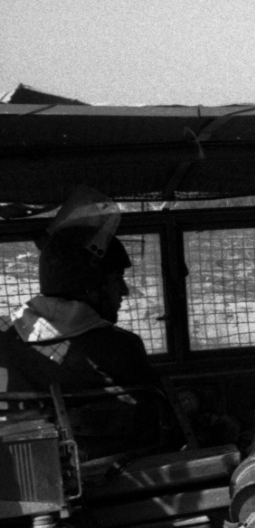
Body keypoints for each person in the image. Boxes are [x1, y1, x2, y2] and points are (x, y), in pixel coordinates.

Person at [0, 186, 166, 458]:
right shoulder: (121, 347)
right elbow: (158, 429)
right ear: (89, 286)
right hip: (112, 479)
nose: (124, 291)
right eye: (117, 280)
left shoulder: (4, 337)